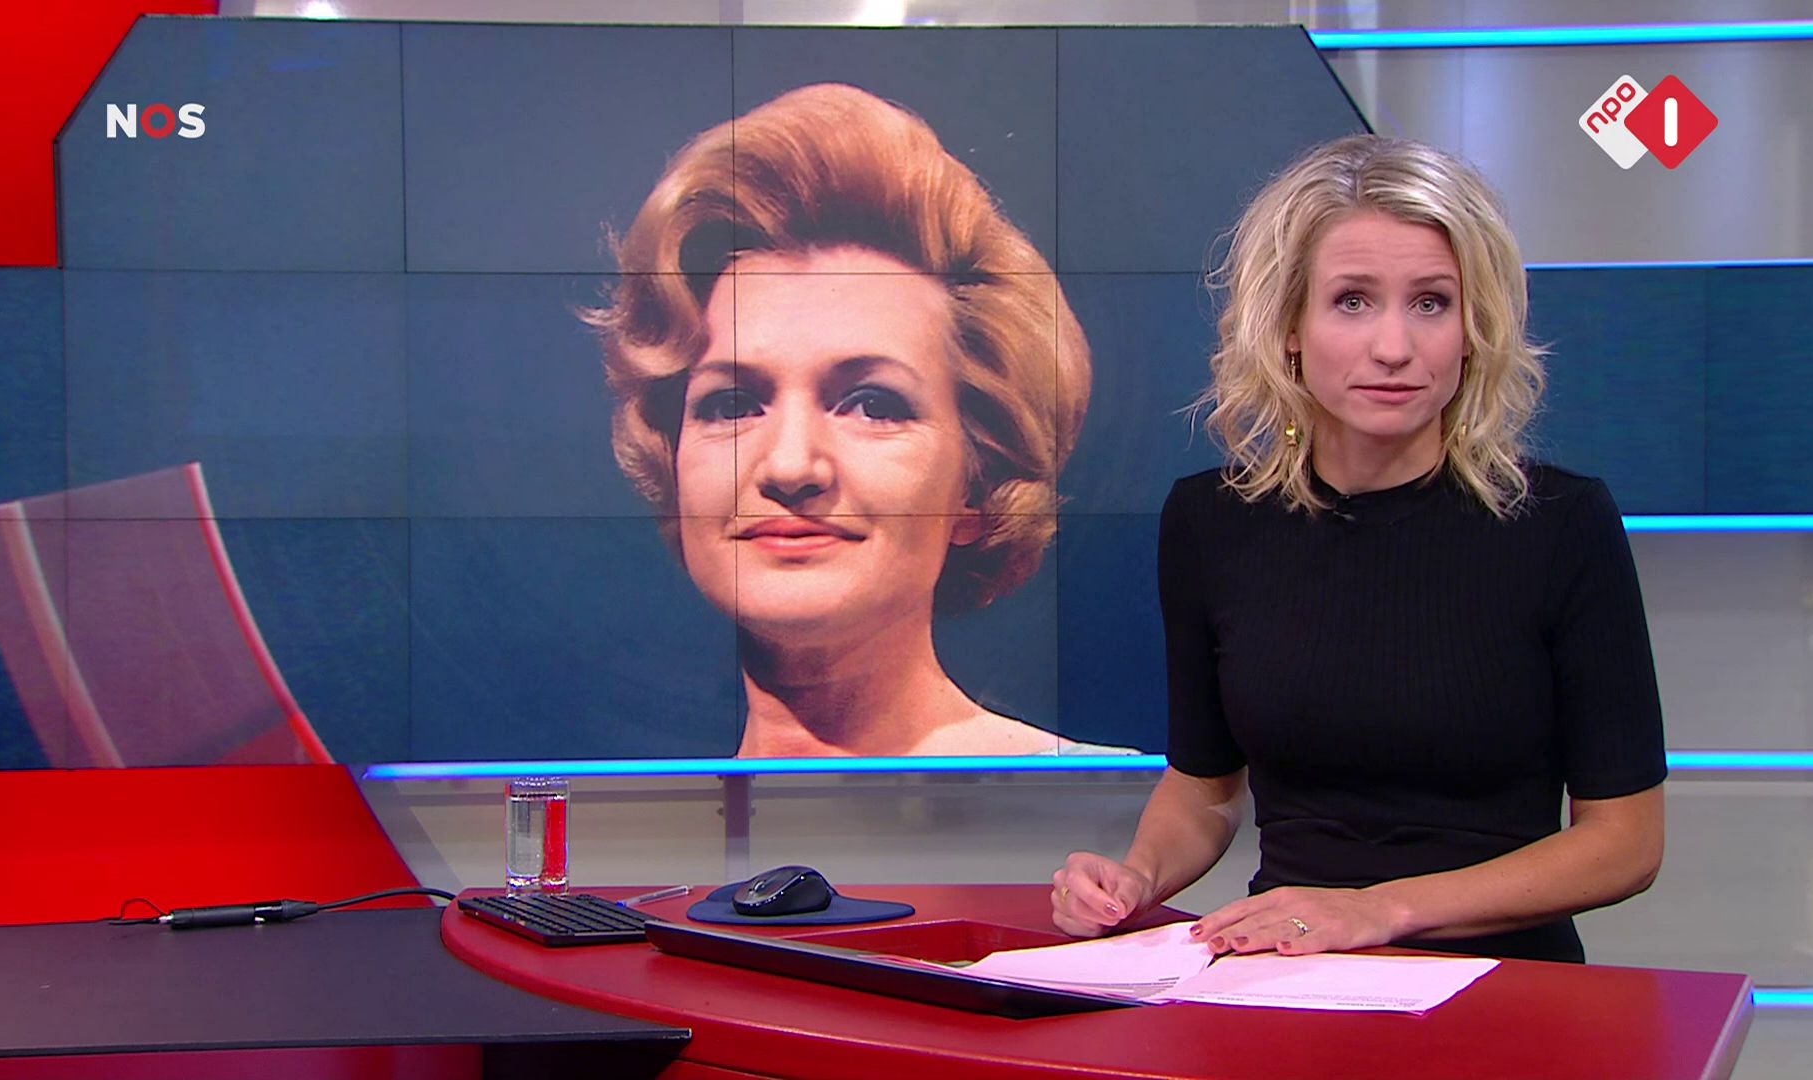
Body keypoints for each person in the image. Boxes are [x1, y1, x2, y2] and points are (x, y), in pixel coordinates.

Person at [1050, 134, 1666, 963]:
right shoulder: (1211, 521)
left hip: (1502, 982)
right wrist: (1136, 876)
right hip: (1283, 973)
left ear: (1473, 330)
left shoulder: (1561, 523)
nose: (1394, 347)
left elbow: (1626, 842)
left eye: (1431, 303)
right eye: (1352, 302)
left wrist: (1379, 911)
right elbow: (1205, 788)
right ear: (1288, 327)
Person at [591, 83, 1107, 758]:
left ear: (976, 487)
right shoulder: (607, 815)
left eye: (873, 405)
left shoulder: (1101, 806)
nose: (790, 466)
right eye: (732, 405)